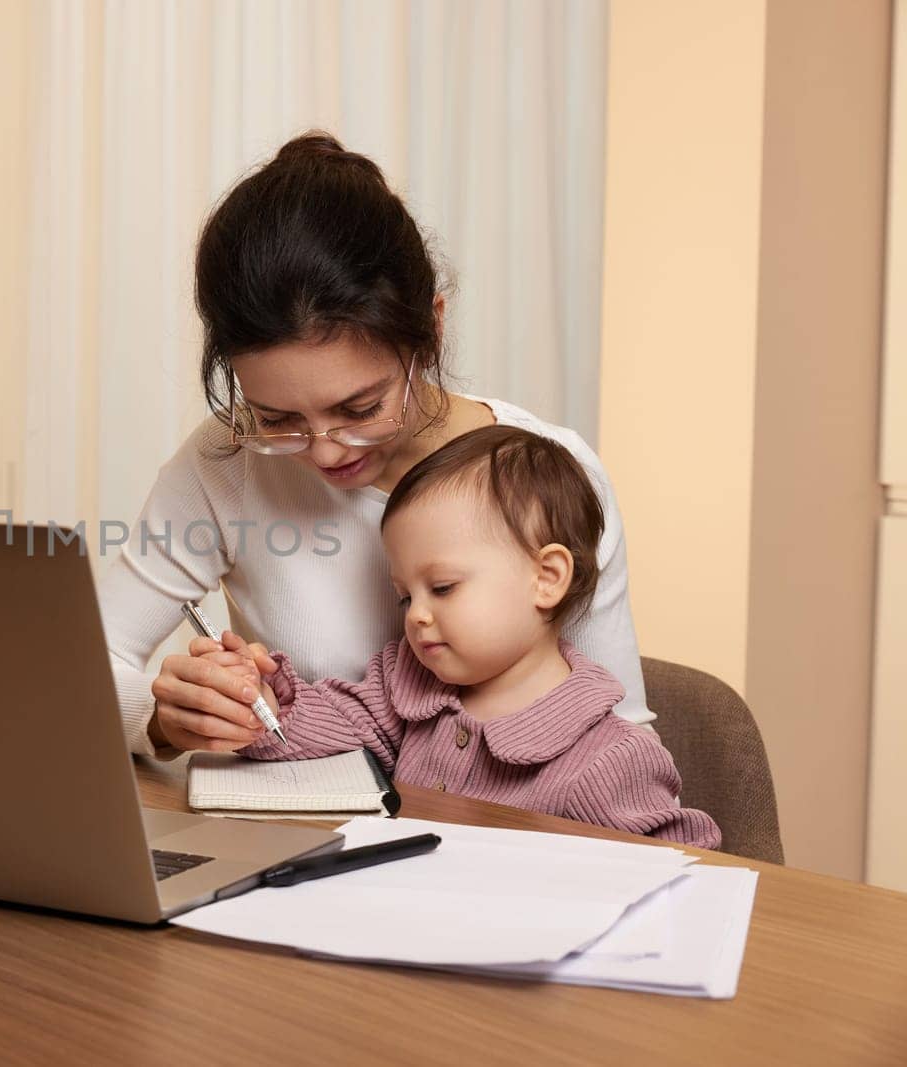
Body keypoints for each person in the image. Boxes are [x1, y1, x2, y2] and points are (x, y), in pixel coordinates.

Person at [97, 130, 651, 758]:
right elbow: (82, 670)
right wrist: (164, 717)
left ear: (432, 330)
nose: (326, 451)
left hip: (503, 840)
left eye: (360, 409)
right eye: (277, 418)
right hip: (300, 842)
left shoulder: (553, 473)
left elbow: (619, 730)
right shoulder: (227, 461)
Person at [187, 426, 719, 849]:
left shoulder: (609, 758)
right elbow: (326, 724)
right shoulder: (410, 686)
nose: (417, 616)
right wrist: (259, 699)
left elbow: (684, 873)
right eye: (405, 596)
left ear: (547, 578)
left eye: (441, 588)